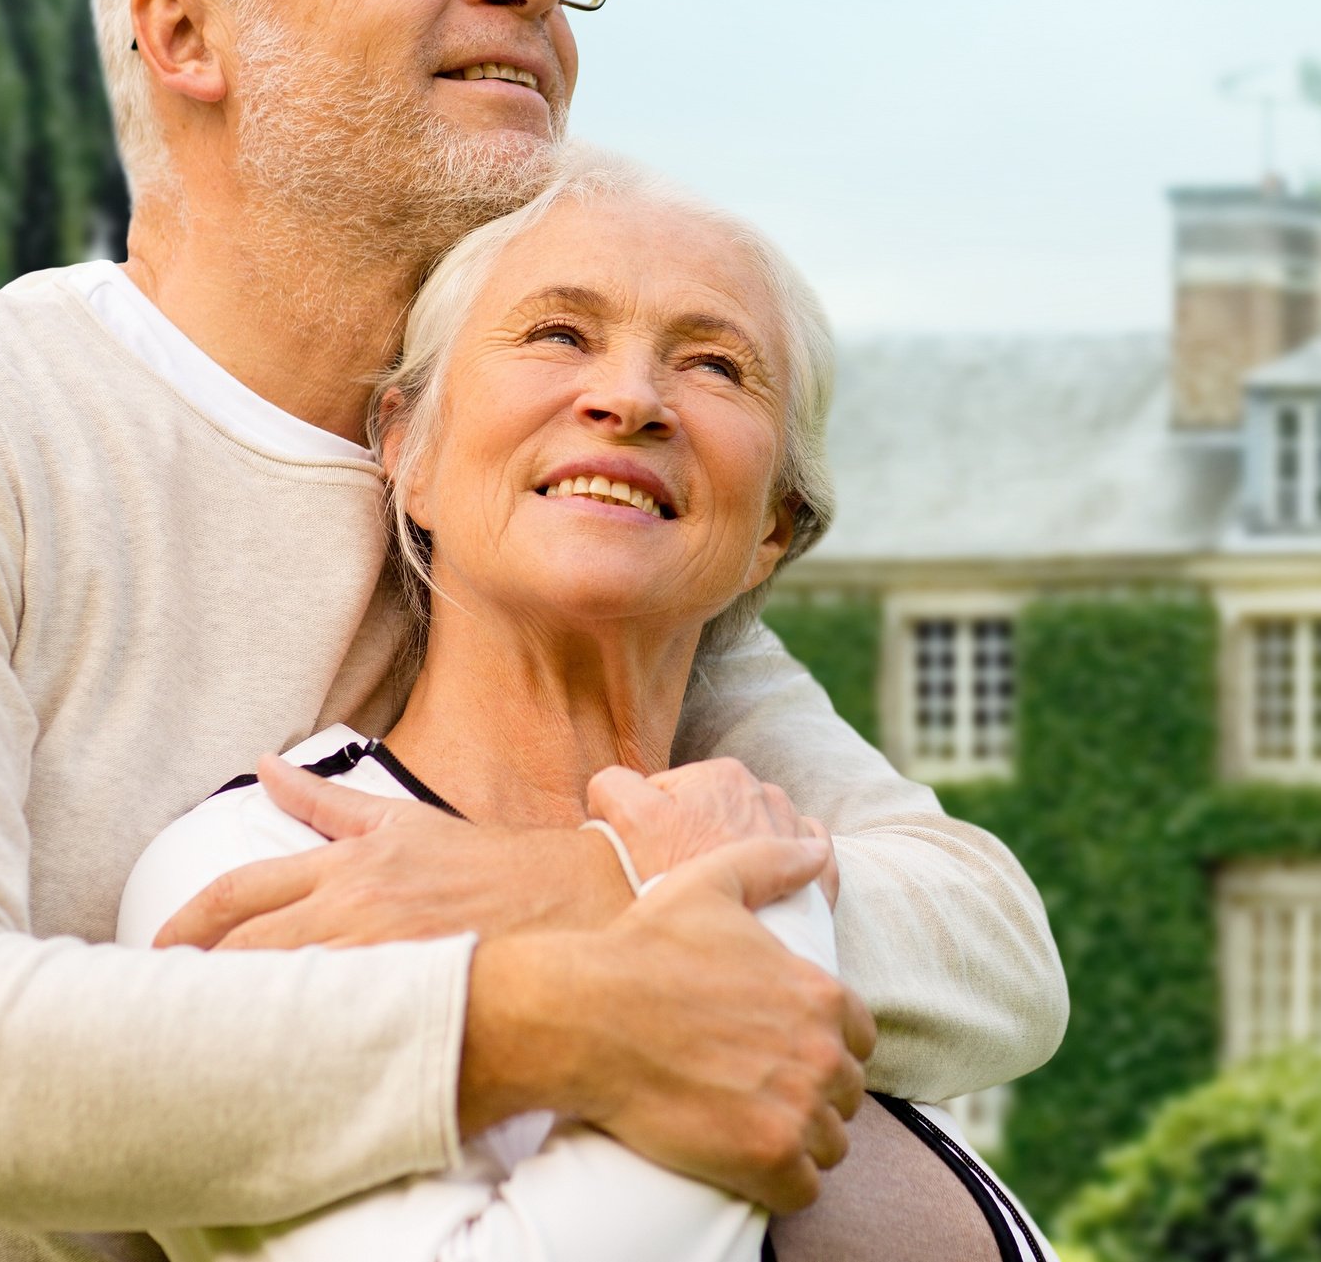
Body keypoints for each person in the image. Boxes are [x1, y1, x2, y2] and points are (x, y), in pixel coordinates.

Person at [0, 0, 1067, 1260]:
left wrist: (573, 884)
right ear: (185, 29)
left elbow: (983, 945)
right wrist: (543, 1011)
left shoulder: (543, 514)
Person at [117, 148, 1049, 1260]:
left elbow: (1010, 966)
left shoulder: (783, 838)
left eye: (713, 363)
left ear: (773, 531)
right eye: (557, 332)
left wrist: (641, 878)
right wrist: (740, 901)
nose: (629, 398)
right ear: (407, 448)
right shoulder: (265, 857)